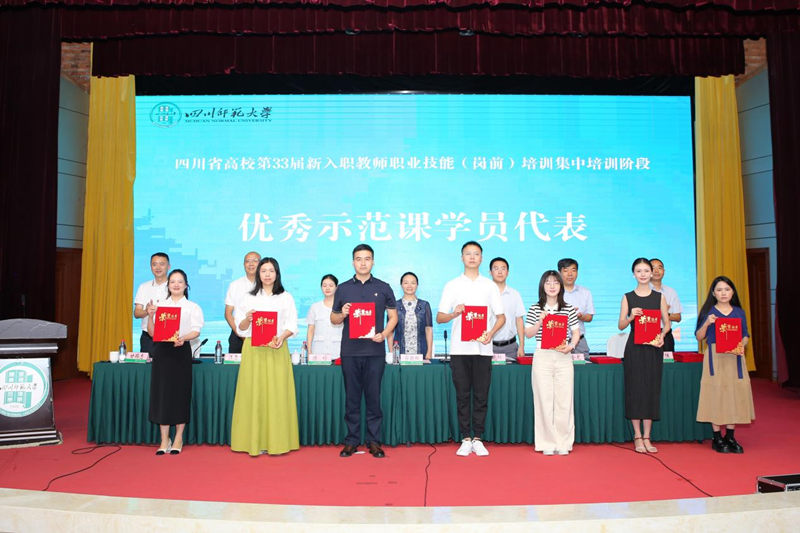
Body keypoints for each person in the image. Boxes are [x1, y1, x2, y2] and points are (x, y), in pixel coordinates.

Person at [437, 241, 505, 457]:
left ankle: (479, 438)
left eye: (476, 254)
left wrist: (490, 333)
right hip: (459, 349)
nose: (472, 257)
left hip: (483, 349)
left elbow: (501, 317)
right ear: (462, 258)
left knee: (481, 396)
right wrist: (454, 314)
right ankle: (466, 438)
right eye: (468, 254)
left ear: (481, 258)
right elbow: (440, 317)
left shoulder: (489, 285)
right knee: (463, 395)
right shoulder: (452, 285)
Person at [331, 244, 397, 458]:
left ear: (373, 261)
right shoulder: (343, 288)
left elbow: (393, 317)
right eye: (358, 259)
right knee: (351, 399)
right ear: (353, 262)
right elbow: (334, 318)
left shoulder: (384, 287)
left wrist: (384, 333)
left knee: (373, 398)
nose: (363, 263)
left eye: (367, 259)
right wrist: (343, 313)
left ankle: (374, 441)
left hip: (374, 351)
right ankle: (351, 441)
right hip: (350, 352)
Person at [230, 257, 300, 456]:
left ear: (277, 274)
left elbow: (292, 324)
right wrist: (247, 319)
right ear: (258, 274)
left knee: (277, 394)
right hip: (253, 350)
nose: (267, 274)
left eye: (271, 271)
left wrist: (281, 337)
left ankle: (278, 441)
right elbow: (240, 328)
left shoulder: (286, 297)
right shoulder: (248, 298)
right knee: (253, 394)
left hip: (277, 348)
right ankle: (254, 441)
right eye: (263, 271)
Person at [146, 269, 203, 455]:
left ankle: (178, 437)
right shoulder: (160, 306)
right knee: (162, 394)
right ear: (168, 285)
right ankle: (164, 439)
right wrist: (151, 315)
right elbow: (152, 333)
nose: (176, 285)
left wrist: (183, 338)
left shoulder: (192, 307)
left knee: (180, 394)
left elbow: (196, 331)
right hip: (162, 353)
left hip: (181, 352)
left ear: (186, 285)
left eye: (180, 281)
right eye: (172, 282)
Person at [695, 276, 754, 453]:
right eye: (719, 290)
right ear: (713, 293)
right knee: (716, 393)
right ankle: (717, 437)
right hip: (715, 357)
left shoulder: (739, 312)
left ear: (732, 292)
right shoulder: (709, 312)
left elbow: (745, 335)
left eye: (727, 289)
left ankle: (730, 436)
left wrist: (740, 344)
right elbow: (699, 337)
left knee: (734, 393)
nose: (723, 293)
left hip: (734, 356)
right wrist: (707, 323)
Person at [524, 270, 581, 455]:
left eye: (555, 282)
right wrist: (540, 322)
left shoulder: (568, 308)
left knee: (564, 400)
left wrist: (571, 346)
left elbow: (576, 332)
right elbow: (528, 333)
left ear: (560, 286)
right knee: (544, 400)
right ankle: (546, 442)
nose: (552, 286)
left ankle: (564, 442)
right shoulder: (535, 308)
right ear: (542, 286)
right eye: (548, 282)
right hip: (543, 356)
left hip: (563, 356)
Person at [617, 258, 671, 454]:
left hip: (653, 348)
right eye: (639, 271)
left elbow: (667, 324)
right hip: (634, 349)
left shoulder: (659, 297)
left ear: (651, 273)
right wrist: (631, 316)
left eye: (646, 270)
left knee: (650, 390)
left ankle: (647, 436)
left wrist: (662, 335)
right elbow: (621, 325)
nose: (643, 274)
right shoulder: (628, 297)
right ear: (633, 274)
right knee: (635, 390)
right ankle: (637, 435)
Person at [489, 257, 526, 363]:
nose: (500, 272)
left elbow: (519, 320)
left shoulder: (515, 294)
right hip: (488, 346)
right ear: (490, 272)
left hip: (510, 348)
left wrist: (522, 346)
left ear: (508, 272)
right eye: (496, 268)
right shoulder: (485, 294)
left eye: (503, 268)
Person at [224, 251, 261, 353]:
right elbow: (228, 313)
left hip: (262, 333)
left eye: (255, 261)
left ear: (261, 264)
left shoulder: (267, 285)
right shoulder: (235, 285)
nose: (251, 264)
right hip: (238, 336)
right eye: (247, 261)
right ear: (244, 264)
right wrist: (240, 334)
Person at [134, 252, 170, 353]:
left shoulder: (174, 287)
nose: (158, 267)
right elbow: (136, 313)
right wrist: (147, 311)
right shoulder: (143, 287)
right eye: (154, 264)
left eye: (162, 264)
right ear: (151, 267)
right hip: (148, 339)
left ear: (168, 267)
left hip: (169, 337)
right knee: (148, 363)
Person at [557, 258, 595, 355]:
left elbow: (589, 317)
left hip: (579, 342)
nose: (570, 274)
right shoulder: (553, 292)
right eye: (566, 270)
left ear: (577, 272)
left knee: (583, 365)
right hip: (558, 341)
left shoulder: (585, 292)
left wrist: (580, 316)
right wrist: (565, 314)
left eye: (573, 270)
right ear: (559, 273)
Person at [393, 272, 433, 360]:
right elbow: (390, 332)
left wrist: (429, 351)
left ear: (417, 285)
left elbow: (428, 329)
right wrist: (392, 353)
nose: (409, 286)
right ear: (401, 285)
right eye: (406, 283)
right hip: (399, 353)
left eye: (413, 283)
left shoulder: (425, 305)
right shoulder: (394, 306)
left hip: (421, 352)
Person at [306, 274, 343, 358]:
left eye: (331, 285)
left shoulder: (342, 308)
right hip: (318, 352)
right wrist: (309, 350)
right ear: (321, 287)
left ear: (336, 288)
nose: (327, 288)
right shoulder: (314, 307)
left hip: (338, 352)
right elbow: (310, 330)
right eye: (324, 285)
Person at [649, 258, 683, 352]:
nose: (656, 271)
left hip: (666, 335)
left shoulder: (671, 292)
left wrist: (662, 313)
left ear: (664, 271)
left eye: (659, 268)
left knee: (667, 361)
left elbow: (678, 317)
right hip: (647, 333)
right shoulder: (642, 291)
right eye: (653, 268)